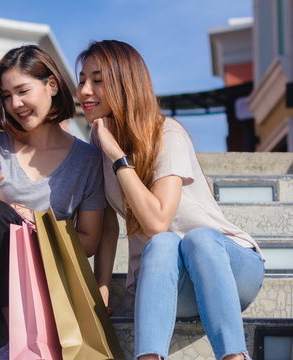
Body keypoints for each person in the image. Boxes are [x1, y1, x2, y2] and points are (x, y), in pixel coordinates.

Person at [76, 39, 265, 360]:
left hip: (230, 270)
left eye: (97, 80)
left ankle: (235, 357)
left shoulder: (167, 133)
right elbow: (108, 222)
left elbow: (157, 221)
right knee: (162, 246)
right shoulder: (101, 138)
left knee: (198, 239)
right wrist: (102, 287)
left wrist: (118, 157)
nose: (84, 91)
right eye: (81, 80)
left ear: (125, 83)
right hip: (168, 282)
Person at [0, 45, 106, 360]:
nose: (15, 104)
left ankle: (23, 340)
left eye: (23, 91)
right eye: (6, 96)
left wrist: (37, 223)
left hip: (44, 279)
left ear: (52, 86)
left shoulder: (87, 160)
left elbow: (89, 242)